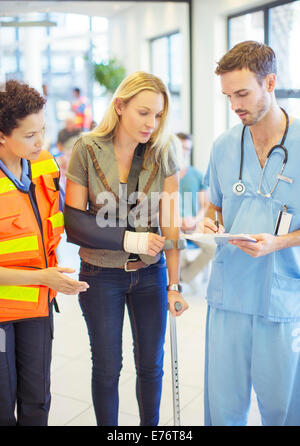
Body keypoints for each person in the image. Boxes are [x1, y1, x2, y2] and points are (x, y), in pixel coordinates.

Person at [64, 71, 189, 426]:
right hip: (101, 275)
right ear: (120, 106)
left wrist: (175, 285)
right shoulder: (87, 149)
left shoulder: (163, 151)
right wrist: (130, 239)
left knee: (151, 365)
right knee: (107, 367)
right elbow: (75, 223)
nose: (152, 123)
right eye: (144, 112)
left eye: (159, 115)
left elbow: (170, 224)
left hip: (150, 274)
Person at [203, 41, 300, 426]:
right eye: (228, 96)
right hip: (229, 295)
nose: (235, 106)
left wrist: (280, 242)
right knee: (224, 410)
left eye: (242, 94)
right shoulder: (224, 146)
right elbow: (215, 204)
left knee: (283, 409)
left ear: (271, 82)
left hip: (281, 299)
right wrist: (210, 221)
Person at [0, 80, 89, 426]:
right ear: (3, 136)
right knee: (3, 405)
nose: (40, 142)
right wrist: (42, 277)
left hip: (38, 307)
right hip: (3, 312)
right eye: (29, 135)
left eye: (43, 131)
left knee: (37, 401)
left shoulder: (44, 167)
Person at [177, 132, 215, 284]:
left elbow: (205, 205)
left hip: (192, 225)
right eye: (180, 148)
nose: (184, 151)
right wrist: (178, 220)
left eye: (187, 149)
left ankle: (184, 276)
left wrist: (194, 220)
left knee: (213, 248)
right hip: (171, 224)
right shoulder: (163, 174)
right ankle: (176, 274)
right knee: (177, 246)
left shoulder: (198, 175)